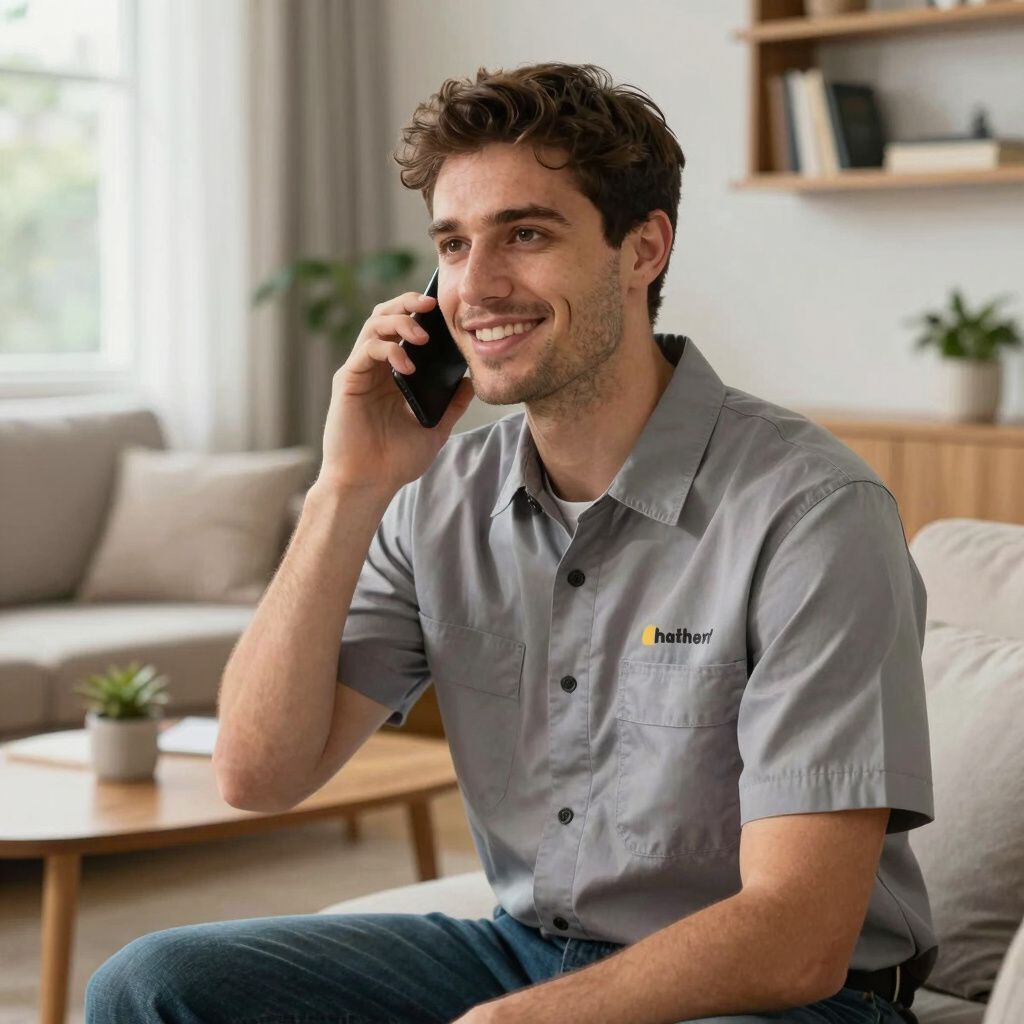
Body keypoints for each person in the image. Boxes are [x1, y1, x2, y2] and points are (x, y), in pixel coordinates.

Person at [85, 62, 937, 1024]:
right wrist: (347, 487)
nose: (476, 287)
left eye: (526, 234)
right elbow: (257, 773)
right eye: (453, 244)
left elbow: (797, 937)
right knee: (152, 985)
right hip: (523, 951)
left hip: (777, 998)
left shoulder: (812, 513)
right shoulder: (435, 495)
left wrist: (511, 1022)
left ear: (642, 249)